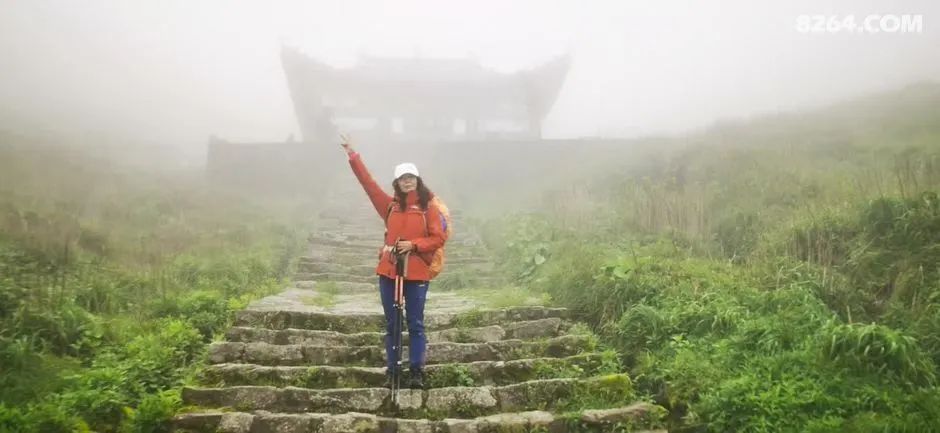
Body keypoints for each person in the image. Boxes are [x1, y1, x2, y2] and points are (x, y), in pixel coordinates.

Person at [340, 136, 447, 389]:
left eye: (411, 177)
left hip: (417, 271)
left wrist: (414, 245)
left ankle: (417, 370)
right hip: (389, 271)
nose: (407, 181)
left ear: (418, 181)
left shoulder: (429, 208)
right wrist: (353, 155)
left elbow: (438, 238)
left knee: (416, 322)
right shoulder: (389, 206)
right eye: (402, 178)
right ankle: (392, 369)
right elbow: (368, 184)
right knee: (392, 322)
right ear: (397, 183)